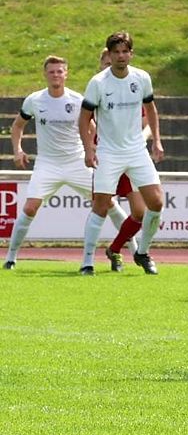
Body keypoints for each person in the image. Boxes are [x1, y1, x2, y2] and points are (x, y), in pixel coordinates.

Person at [3, 56, 129, 270]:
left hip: (77, 162)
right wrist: (18, 150)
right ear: (45, 74)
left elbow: (92, 127)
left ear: (66, 74)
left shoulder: (77, 100)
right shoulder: (35, 100)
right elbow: (17, 126)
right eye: (52, 71)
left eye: (59, 71)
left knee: (108, 203)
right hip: (47, 164)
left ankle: (134, 250)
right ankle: (10, 258)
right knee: (30, 208)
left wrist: (92, 149)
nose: (56, 75)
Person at [79, 31, 164, 275]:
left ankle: (142, 252)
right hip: (109, 153)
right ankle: (87, 262)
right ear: (110, 54)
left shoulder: (142, 78)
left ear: (131, 53)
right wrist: (88, 149)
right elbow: (84, 118)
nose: (121, 56)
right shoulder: (98, 82)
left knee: (156, 203)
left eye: (125, 51)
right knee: (101, 206)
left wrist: (157, 141)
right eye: (116, 52)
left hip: (137, 151)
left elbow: (151, 109)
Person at [96, 47, 149, 273]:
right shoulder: (97, 88)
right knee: (104, 205)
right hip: (106, 157)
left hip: (130, 157)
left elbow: (147, 124)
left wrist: (140, 140)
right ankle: (87, 262)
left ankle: (115, 248)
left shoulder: (132, 88)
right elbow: (85, 123)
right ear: (101, 65)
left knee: (140, 212)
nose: (111, 66)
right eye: (106, 63)